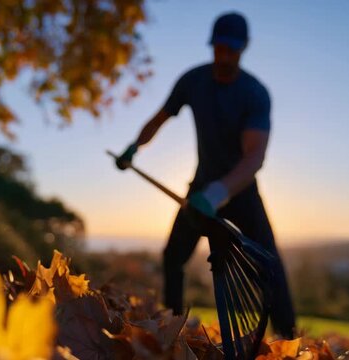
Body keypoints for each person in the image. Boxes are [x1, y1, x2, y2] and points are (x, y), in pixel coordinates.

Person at [115, 12, 296, 339]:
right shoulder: (193, 81)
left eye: (232, 50)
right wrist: (134, 147)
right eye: (220, 48)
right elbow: (159, 119)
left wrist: (218, 194)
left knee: (270, 269)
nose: (224, 55)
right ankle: (171, 328)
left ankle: (291, 338)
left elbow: (254, 157)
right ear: (213, 46)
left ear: (243, 50)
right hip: (200, 188)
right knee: (173, 257)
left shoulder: (254, 94)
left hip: (239, 190)